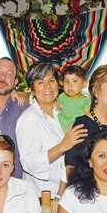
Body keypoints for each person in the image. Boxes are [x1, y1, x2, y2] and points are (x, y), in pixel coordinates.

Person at [15, 61, 87, 198]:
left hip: (71, 193)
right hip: (44, 198)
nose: (47, 86)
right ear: (31, 89)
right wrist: (63, 146)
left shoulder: (62, 112)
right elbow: (28, 162)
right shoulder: (30, 118)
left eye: (51, 80)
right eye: (40, 82)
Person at [0, 57, 29, 178]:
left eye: (9, 74)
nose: (2, 77)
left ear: (15, 82)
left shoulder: (27, 111)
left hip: (18, 188)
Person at [56, 65, 91, 132]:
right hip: (59, 132)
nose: (70, 85)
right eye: (66, 81)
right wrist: (54, 102)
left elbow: (88, 119)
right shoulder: (61, 97)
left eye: (74, 81)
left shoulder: (85, 100)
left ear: (84, 84)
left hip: (76, 133)